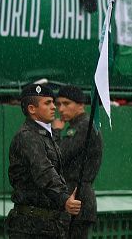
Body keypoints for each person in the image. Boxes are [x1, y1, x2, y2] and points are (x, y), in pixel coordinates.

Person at [6, 84, 82, 238]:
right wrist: (64, 199)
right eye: (47, 103)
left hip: (48, 225)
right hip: (30, 227)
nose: (54, 107)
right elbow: (43, 171)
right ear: (32, 109)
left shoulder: (44, 135)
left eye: (53, 102)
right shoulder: (27, 136)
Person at [52, 85, 103, 239]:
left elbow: (59, 156)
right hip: (76, 198)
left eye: (67, 104)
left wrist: (55, 132)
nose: (61, 109)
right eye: (59, 104)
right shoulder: (81, 125)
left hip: (77, 198)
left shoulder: (83, 127)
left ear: (80, 105)